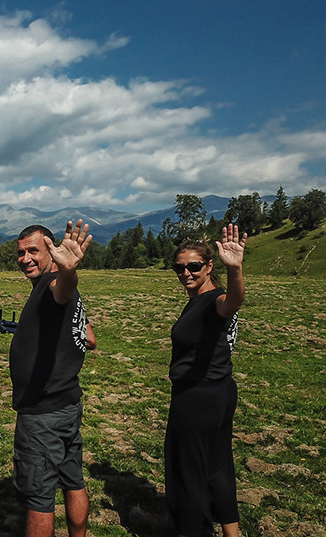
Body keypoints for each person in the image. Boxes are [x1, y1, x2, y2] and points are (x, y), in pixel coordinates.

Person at [8, 220, 93, 537]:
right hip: (68, 405)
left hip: (43, 416)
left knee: (40, 498)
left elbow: (63, 289)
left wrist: (69, 271)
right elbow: (89, 336)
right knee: (73, 481)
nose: (25, 258)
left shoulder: (53, 285)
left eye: (33, 251)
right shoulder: (56, 291)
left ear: (53, 252)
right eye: (20, 253)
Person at [164, 224, 247, 537]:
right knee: (217, 466)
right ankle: (232, 532)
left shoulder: (216, 299)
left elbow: (234, 302)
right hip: (220, 392)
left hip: (198, 398)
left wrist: (235, 269)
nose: (186, 272)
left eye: (194, 267)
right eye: (180, 267)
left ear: (209, 266)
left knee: (187, 470)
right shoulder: (198, 299)